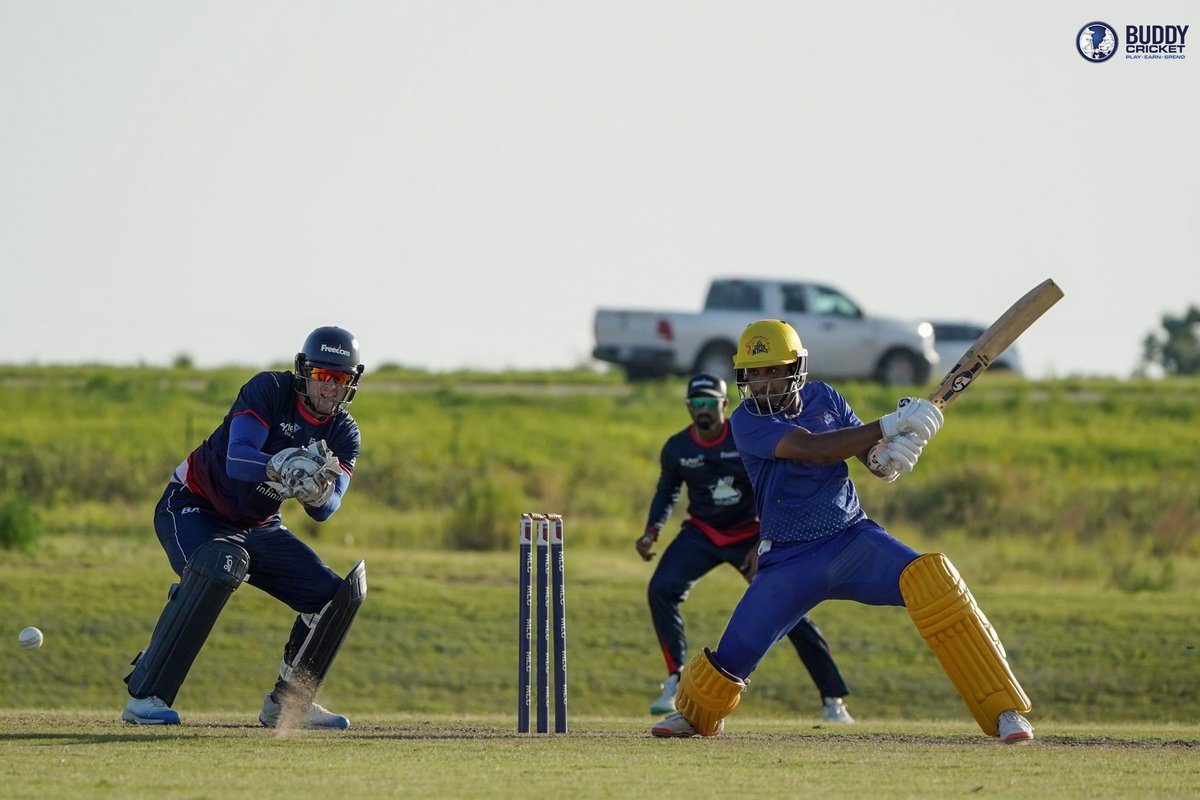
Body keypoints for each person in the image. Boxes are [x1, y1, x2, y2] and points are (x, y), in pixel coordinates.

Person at [651, 320, 1034, 743]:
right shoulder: (745, 422)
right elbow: (814, 450)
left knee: (933, 582)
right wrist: (889, 424)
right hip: (788, 559)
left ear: (796, 368)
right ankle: (695, 715)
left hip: (851, 539)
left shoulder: (825, 397)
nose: (761, 383)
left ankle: (1005, 711)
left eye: (772, 370)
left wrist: (891, 455)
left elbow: (865, 455)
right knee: (729, 661)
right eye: (753, 374)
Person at [121, 326, 368, 729]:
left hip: (259, 523)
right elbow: (238, 460)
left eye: (339, 379)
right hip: (194, 504)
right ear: (304, 372)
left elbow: (327, 510)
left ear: (351, 383)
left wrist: (318, 493)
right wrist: (281, 463)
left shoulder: (344, 432)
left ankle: (288, 704)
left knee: (332, 596)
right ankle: (146, 695)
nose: (329, 388)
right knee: (217, 566)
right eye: (322, 375)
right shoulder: (268, 389)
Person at [637, 373, 855, 724]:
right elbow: (667, 492)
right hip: (703, 532)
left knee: (790, 610)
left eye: (711, 403)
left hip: (751, 535)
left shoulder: (744, 432)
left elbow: (776, 486)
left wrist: (763, 539)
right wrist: (651, 531)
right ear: (689, 408)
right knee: (661, 588)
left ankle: (833, 700)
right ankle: (675, 678)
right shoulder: (677, 448)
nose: (704, 410)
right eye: (697, 404)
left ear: (724, 405)